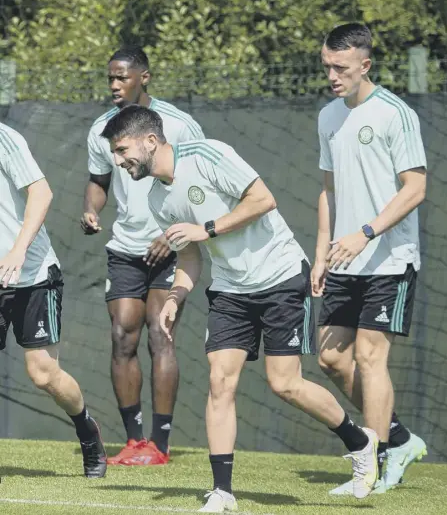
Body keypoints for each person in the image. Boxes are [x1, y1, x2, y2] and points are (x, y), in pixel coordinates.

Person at [101, 105, 379, 511]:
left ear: (150, 141)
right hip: (230, 290)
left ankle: (359, 441)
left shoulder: (208, 155)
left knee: (284, 384)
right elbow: (192, 256)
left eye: (123, 149)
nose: (119, 161)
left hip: (281, 276)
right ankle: (223, 492)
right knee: (219, 381)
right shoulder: (158, 197)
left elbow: (263, 199)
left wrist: (208, 227)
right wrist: (177, 296)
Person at [311, 22, 428, 495]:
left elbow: (416, 188)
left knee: (370, 356)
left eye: (341, 67)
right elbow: (328, 191)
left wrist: (366, 232)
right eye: (326, 67)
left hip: (389, 257)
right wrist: (320, 255)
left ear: (366, 65)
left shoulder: (394, 114)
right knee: (330, 358)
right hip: (344, 259)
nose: (332, 76)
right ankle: (397, 438)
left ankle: (374, 462)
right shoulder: (327, 116)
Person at [80, 46, 204, 466]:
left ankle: (161, 444)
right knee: (121, 337)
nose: (114, 84)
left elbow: (198, 184)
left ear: (144, 77)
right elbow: (98, 179)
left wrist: (172, 236)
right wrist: (92, 209)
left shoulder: (179, 125)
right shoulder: (102, 128)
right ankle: (135, 443)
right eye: (110, 77)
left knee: (160, 334)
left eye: (122, 77)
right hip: (125, 249)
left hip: (171, 249)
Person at [0, 122, 106, 478]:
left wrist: (17, 250)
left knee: (43, 374)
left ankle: (87, 430)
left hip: (33, 276)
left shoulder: (4, 137)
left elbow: (41, 194)